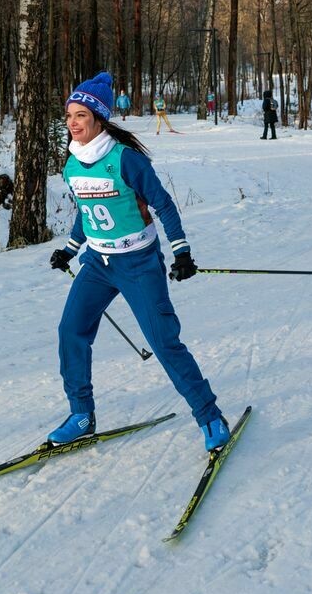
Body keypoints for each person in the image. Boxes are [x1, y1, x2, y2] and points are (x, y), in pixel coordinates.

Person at [47, 72, 230, 452]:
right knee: (71, 331)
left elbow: (162, 204)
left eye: (81, 116)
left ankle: (209, 415)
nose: (73, 123)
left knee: (164, 342)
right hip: (97, 262)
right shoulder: (73, 164)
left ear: (99, 119)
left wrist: (181, 252)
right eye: (68, 116)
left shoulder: (125, 159)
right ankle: (81, 414)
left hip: (138, 263)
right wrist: (70, 248)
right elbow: (87, 211)